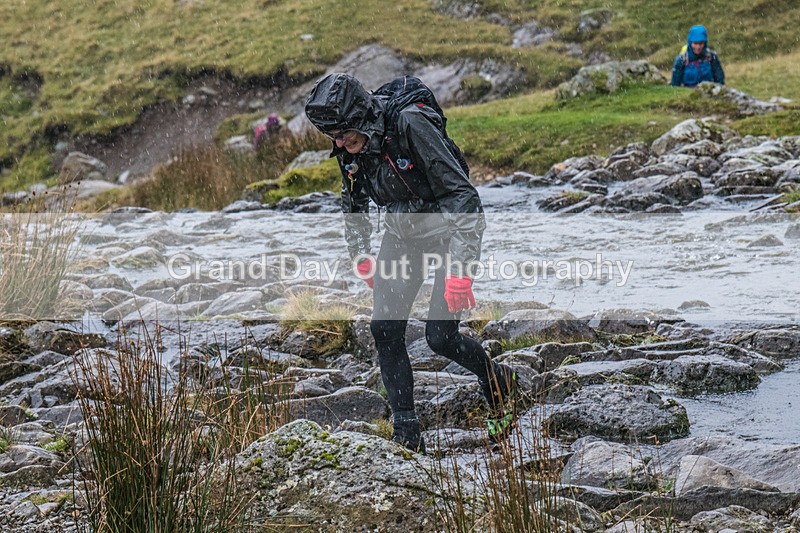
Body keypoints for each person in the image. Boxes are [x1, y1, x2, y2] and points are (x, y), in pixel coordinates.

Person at [304, 73, 517, 453]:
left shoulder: (411, 124)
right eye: (333, 137)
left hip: (447, 235)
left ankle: (500, 382)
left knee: (440, 338)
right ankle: (406, 433)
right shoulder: (350, 144)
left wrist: (461, 271)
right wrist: (362, 255)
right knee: (384, 330)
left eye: (345, 135)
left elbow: (462, 196)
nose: (340, 144)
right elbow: (353, 202)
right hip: (401, 236)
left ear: (362, 118)